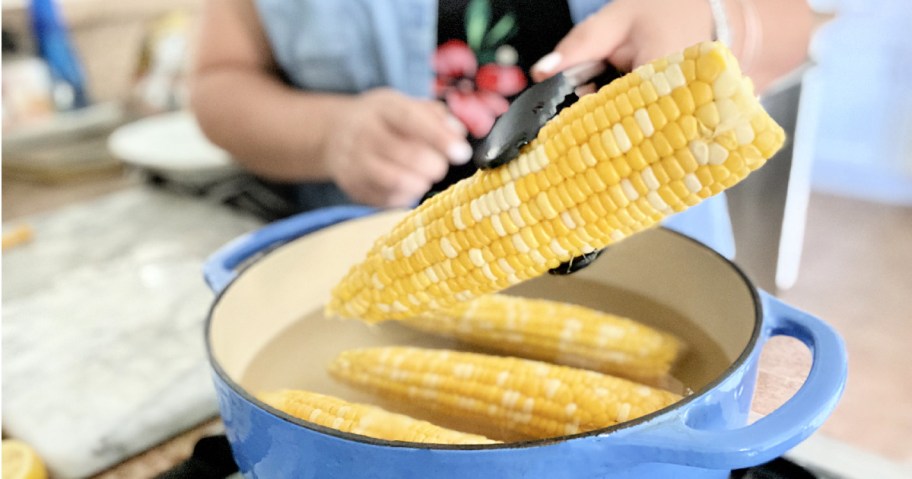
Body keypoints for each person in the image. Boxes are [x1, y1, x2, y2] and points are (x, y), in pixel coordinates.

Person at [190, 0, 824, 220]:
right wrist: (329, 136)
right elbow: (219, 80)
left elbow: (812, 21)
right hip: (371, 269)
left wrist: (719, 20)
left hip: (650, 259)